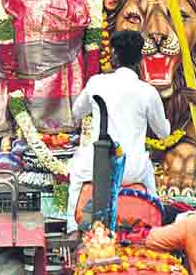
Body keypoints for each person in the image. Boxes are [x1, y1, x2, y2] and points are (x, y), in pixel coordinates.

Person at [67, 30, 169, 226]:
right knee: (149, 177)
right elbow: (163, 133)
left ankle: (72, 226)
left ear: (114, 55)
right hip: (133, 170)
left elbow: (77, 112)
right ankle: (156, 224)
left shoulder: (97, 83)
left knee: (76, 171)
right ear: (140, 59)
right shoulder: (148, 92)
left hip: (97, 168)